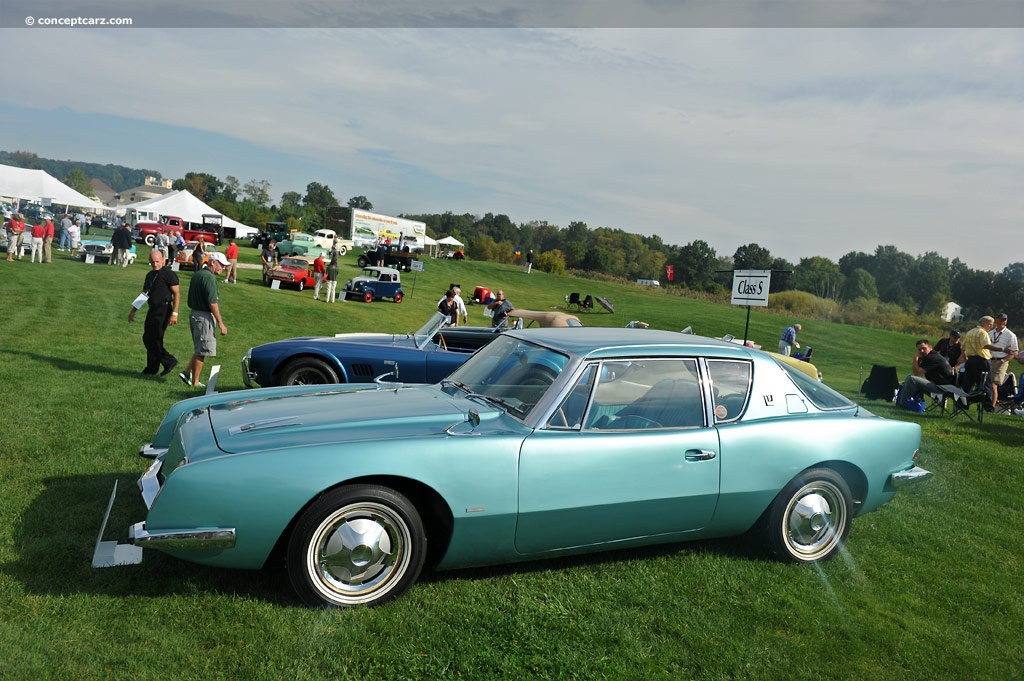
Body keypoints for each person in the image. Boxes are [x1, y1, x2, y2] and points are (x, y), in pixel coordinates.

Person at [180, 251, 229, 389]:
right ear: (213, 262)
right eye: (222, 265)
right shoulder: (209, 278)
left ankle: (187, 372)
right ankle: (195, 382)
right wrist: (221, 323)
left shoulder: (198, 274)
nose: (223, 268)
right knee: (203, 351)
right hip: (203, 317)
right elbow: (212, 302)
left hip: (194, 314)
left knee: (200, 348)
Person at [128, 249, 180, 376]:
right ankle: (152, 368)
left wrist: (175, 313)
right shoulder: (150, 275)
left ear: (163, 260)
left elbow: (177, 293)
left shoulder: (169, 274)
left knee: (153, 339)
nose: (155, 264)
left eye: (157, 261)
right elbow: (144, 293)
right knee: (148, 337)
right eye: (152, 262)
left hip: (163, 309)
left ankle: (169, 361)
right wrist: (133, 310)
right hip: (153, 309)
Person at [896, 339, 954, 408]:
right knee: (911, 378)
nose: (922, 351)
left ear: (930, 347)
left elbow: (917, 374)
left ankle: (903, 405)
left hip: (942, 389)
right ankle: (916, 404)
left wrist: (915, 359)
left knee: (911, 379)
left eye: (924, 348)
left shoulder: (933, 358)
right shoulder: (930, 356)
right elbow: (917, 374)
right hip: (941, 385)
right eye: (919, 350)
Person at [961, 316, 1003, 408]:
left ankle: (963, 403)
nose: (991, 327)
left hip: (970, 360)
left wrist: (965, 359)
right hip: (982, 361)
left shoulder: (970, 332)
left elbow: (963, 348)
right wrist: (1002, 349)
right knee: (986, 384)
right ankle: (987, 406)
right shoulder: (983, 333)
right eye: (990, 324)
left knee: (968, 383)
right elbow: (986, 345)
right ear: (985, 323)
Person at [988, 313, 1019, 407]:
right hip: (989, 359)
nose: (1003, 322)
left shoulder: (1010, 335)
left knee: (994, 383)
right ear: (996, 320)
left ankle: (992, 406)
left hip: (1001, 361)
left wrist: (1003, 361)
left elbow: (1015, 351)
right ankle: (987, 403)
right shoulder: (990, 333)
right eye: (1001, 319)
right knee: (987, 382)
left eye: (1005, 320)